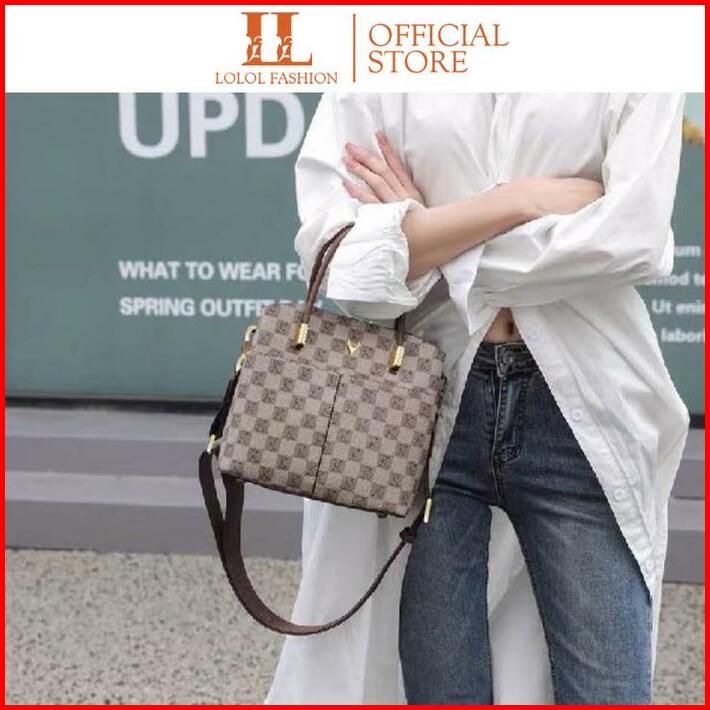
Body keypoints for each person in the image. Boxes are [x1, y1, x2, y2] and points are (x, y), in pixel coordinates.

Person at [265, 93, 689, 705]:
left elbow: (631, 240)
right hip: (420, 406)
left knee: (610, 689)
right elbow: (346, 265)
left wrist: (427, 236)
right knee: (439, 689)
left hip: (583, 408)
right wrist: (513, 202)